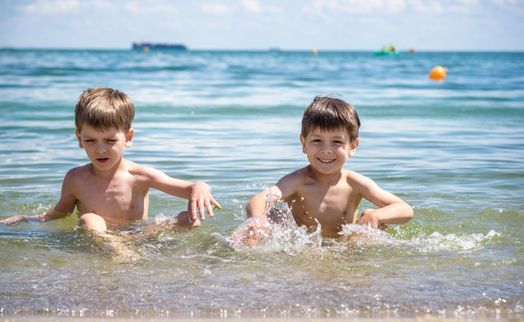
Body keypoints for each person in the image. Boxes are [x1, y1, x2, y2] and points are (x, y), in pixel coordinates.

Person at [1, 88, 220, 258]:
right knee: (89, 219)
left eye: (110, 140)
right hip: (99, 240)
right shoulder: (76, 179)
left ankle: (123, 250)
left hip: (140, 236)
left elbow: (187, 188)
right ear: (79, 139)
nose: (100, 149)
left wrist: (200, 187)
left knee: (191, 220)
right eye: (90, 141)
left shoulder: (141, 176)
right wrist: (24, 219)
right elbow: (59, 214)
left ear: (129, 138)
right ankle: (118, 252)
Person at [237, 96, 413, 245]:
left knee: (370, 220)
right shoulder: (296, 181)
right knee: (268, 218)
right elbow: (258, 200)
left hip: (345, 245)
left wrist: (377, 215)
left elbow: (405, 209)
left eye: (337, 142)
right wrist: (258, 220)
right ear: (303, 144)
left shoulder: (354, 183)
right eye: (317, 141)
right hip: (306, 246)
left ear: (353, 146)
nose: (326, 149)